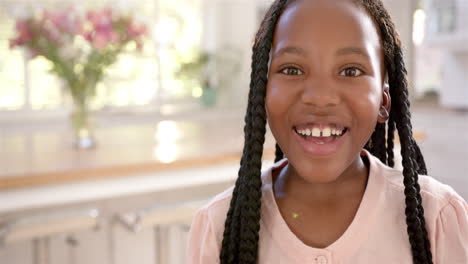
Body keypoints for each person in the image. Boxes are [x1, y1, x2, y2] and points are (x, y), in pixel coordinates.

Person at [187, 0, 468, 263]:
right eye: (293, 70)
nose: (320, 97)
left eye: (350, 71)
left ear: (384, 102)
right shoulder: (219, 226)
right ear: (262, 93)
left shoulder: (438, 217)